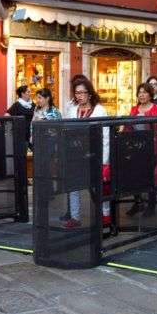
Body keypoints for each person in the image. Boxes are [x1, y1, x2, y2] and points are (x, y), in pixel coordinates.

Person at [63, 77, 109, 228]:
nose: (79, 95)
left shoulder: (99, 110)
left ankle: (105, 215)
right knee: (74, 186)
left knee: (98, 187)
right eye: (77, 93)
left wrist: (105, 159)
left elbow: (106, 135)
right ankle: (75, 216)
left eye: (82, 92)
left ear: (90, 94)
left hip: (94, 154)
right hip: (76, 154)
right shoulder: (72, 110)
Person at [125, 83, 157, 217]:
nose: (141, 95)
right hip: (137, 149)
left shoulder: (156, 109)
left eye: (144, 92)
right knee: (133, 175)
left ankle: (151, 205)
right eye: (139, 92)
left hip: (152, 149)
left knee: (151, 176)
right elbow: (128, 128)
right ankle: (138, 202)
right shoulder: (134, 109)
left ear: (150, 94)